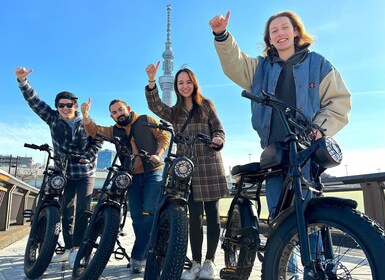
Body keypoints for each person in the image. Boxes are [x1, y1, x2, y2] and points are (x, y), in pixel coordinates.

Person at [209, 10, 351, 276]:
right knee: (280, 220)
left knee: (309, 215)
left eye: (284, 28)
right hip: (274, 152)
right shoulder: (261, 67)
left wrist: (319, 130)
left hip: (307, 152)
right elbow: (235, 64)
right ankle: (288, 273)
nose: (280, 34)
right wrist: (222, 35)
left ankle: (316, 272)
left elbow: (339, 103)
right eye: (273, 31)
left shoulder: (319, 64)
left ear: (296, 31)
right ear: (269, 39)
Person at [144, 62, 228, 280]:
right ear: (176, 85)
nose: (184, 86)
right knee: (194, 217)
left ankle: (209, 261)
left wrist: (218, 139)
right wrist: (152, 81)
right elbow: (156, 107)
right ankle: (196, 262)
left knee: (212, 214)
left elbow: (218, 128)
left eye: (188, 82)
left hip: (209, 163)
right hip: (186, 168)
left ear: (194, 83)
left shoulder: (206, 105)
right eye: (180, 83)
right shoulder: (175, 112)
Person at [15, 67, 103, 269]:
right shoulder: (53, 118)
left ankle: (78, 249)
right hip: (63, 173)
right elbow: (34, 102)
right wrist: (23, 82)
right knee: (66, 210)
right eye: (61, 105)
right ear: (57, 107)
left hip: (84, 173)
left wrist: (86, 157)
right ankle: (69, 247)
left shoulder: (86, 122)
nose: (65, 108)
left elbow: (97, 142)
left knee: (82, 210)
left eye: (69, 105)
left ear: (75, 106)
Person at [81, 97, 170, 274]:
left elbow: (164, 136)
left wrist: (158, 154)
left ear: (127, 108)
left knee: (149, 213)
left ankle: (137, 256)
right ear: (112, 116)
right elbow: (94, 131)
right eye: (114, 112)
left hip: (153, 171)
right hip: (132, 176)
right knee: (136, 217)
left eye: (120, 109)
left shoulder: (146, 120)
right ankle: (145, 252)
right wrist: (85, 115)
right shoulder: (114, 131)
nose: (118, 114)